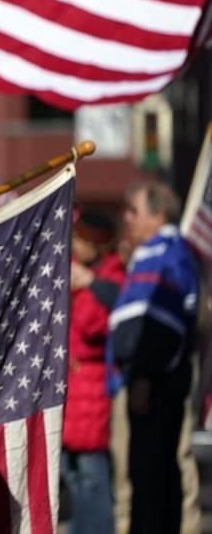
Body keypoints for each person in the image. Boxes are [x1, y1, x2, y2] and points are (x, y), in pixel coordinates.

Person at [108, 179, 199, 534]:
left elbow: (161, 323)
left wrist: (144, 375)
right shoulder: (152, 254)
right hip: (144, 379)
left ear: (159, 214)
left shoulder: (168, 254)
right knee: (145, 476)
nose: (127, 219)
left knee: (153, 476)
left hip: (156, 385)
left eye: (135, 211)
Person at [61, 207, 125, 534]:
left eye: (82, 239)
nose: (74, 244)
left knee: (91, 476)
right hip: (75, 387)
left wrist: (88, 286)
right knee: (73, 475)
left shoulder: (110, 277)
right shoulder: (78, 275)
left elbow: (93, 324)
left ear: (97, 245)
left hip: (92, 387)